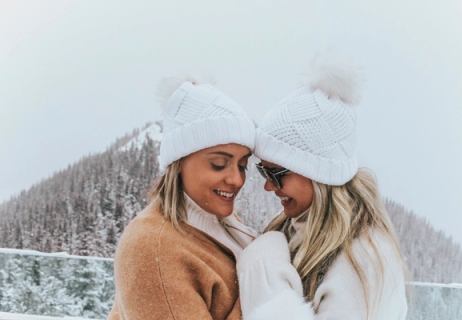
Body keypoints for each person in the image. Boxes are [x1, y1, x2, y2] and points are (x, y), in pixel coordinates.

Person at [236, 64, 408, 320]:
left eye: (277, 174)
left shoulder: (364, 260)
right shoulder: (302, 233)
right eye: (263, 171)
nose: (268, 186)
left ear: (319, 174)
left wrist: (260, 268)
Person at [108, 79, 257, 320]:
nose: (237, 180)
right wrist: (264, 282)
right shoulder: (153, 248)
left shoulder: (223, 222)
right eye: (219, 164)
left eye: (242, 166)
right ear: (179, 163)